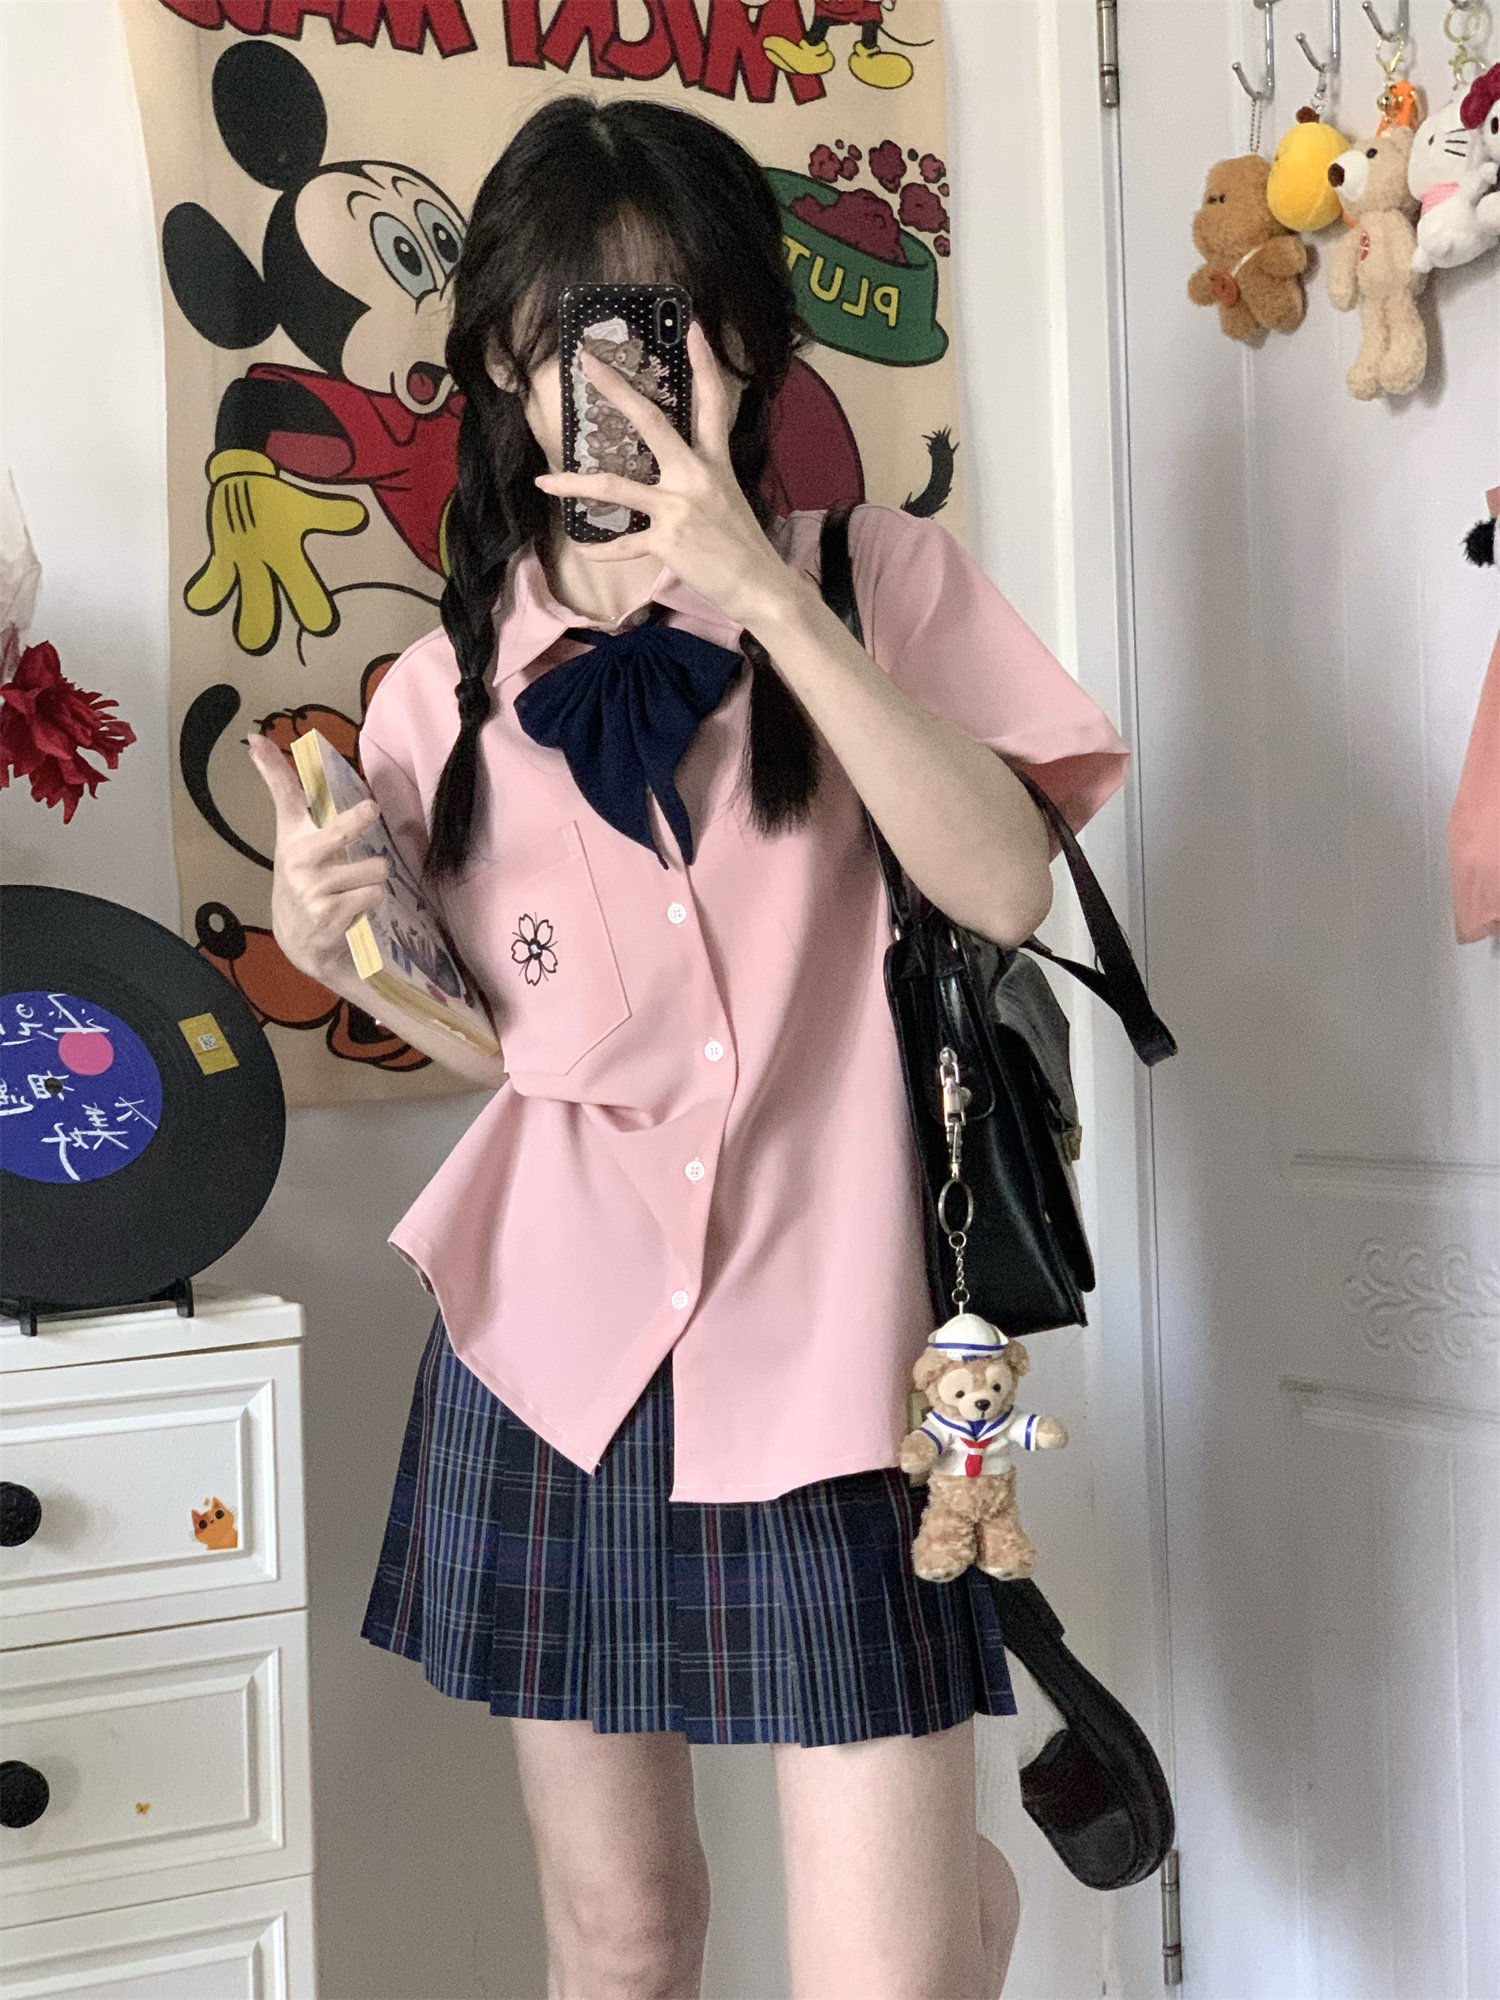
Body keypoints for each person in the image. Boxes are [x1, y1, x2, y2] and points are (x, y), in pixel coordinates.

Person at [248, 95, 1129, 2000]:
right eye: (582, 327)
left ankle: (962, 1902)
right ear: (504, 361)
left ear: (749, 338)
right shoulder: (439, 690)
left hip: (835, 1355)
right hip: (551, 1355)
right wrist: (344, 949)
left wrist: (765, 598)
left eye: (677, 320)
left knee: (890, 1975)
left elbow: (1001, 883)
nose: (633, 372)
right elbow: (498, 1049)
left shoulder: (879, 578)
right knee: (627, 1940)